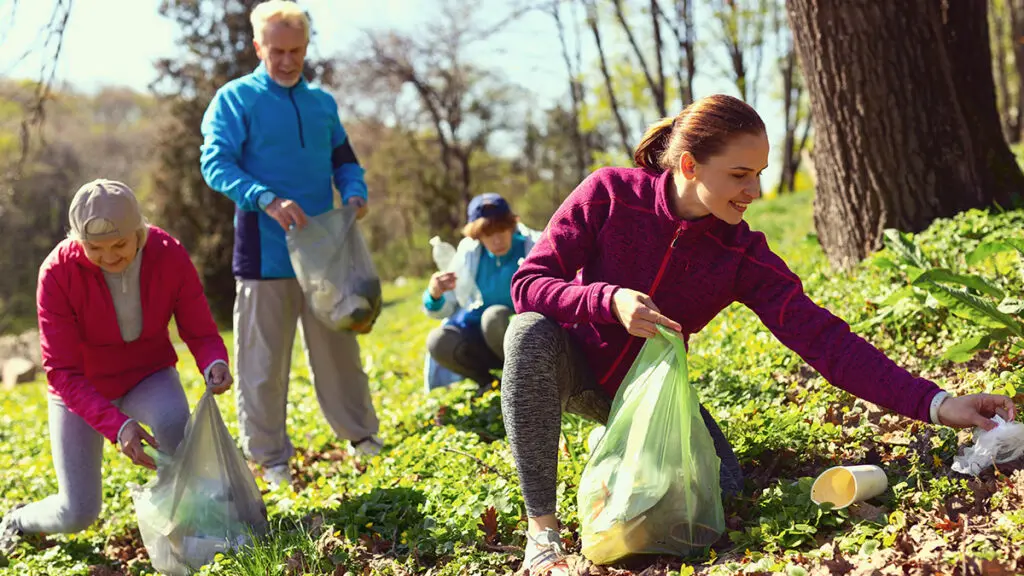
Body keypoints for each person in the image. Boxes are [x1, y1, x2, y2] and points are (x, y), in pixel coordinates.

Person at [500, 94, 1017, 575]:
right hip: (572, 366)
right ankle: (542, 531)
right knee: (528, 335)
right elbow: (527, 284)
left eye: (760, 174)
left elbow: (824, 339)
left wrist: (938, 403)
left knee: (721, 488)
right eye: (740, 175)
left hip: (650, 392)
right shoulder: (611, 196)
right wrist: (605, 300)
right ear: (689, 165)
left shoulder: (740, 254)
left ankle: (618, 446)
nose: (754, 191)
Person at [199, 0, 381, 489]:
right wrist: (264, 197)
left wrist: (355, 189)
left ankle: (363, 437)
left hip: (326, 257)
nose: (286, 60)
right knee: (262, 365)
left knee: (339, 353)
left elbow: (345, 159)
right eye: (276, 50)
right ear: (258, 46)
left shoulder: (322, 104)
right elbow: (215, 163)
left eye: (295, 50)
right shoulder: (235, 100)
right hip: (265, 255)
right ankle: (271, 459)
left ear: (306, 47)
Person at [0, 179, 233, 557]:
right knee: (78, 511)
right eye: (95, 248)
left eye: (120, 245)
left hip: (147, 374)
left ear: (139, 230)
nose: (109, 257)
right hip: (83, 391)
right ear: (78, 240)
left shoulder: (168, 253)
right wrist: (117, 425)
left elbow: (200, 328)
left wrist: (214, 361)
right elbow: (61, 370)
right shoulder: (56, 274)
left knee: (176, 427)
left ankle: (192, 540)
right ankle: (19, 520)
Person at [423, 194, 540, 392]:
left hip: (524, 338)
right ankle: (490, 383)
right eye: (487, 233)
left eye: (501, 229)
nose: (497, 239)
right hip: (480, 341)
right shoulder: (468, 257)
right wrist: (434, 294)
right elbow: (445, 308)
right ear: (477, 235)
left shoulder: (534, 248)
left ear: (512, 225)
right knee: (438, 341)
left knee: (493, 317)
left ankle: (526, 381)